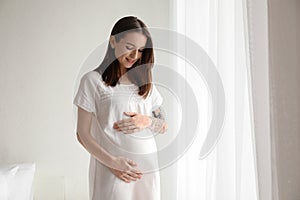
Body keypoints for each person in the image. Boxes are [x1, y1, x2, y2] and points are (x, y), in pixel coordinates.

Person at [73, 16, 168, 200]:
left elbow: (163, 125)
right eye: (129, 47)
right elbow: (82, 134)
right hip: (112, 169)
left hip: (146, 169)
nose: (135, 56)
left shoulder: (146, 84)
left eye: (140, 50)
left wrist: (146, 120)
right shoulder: (93, 81)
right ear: (113, 41)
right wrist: (113, 163)